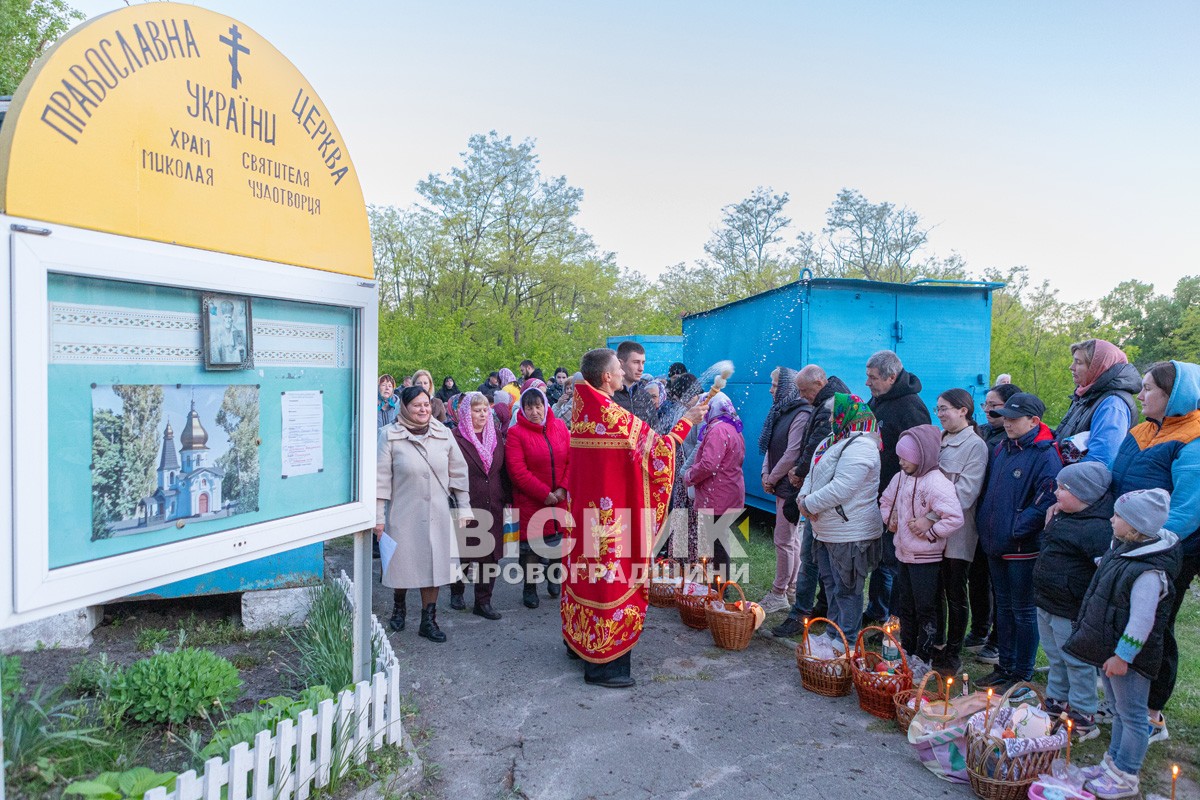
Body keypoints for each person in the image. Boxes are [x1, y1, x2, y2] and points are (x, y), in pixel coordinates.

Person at [562, 348, 705, 688]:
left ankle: (579, 642)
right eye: (619, 369)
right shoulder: (611, 414)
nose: (625, 374)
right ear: (607, 377)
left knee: (585, 578)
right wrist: (688, 420)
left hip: (585, 519)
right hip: (612, 524)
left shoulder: (584, 409)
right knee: (611, 581)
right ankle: (604, 666)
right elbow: (659, 452)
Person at [1066, 489, 1181, 800]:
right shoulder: (1125, 550)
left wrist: (1122, 656)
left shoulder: (1149, 572)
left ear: (1134, 527)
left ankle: (1126, 775)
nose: (1111, 519)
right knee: (1119, 712)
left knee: (1132, 716)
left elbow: (1141, 622)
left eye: (1117, 516)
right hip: (1113, 651)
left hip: (1129, 658)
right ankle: (1111, 766)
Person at [1108, 360, 1200, 743]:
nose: (1140, 395)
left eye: (1149, 389)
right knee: (1127, 621)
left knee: (1155, 625)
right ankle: (1124, 703)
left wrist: (1149, 544)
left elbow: (1188, 507)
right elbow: (1117, 479)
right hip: (1129, 541)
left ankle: (1152, 713)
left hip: (1168, 549)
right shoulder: (1140, 430)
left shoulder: (1193, 435)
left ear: (1174, 395)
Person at [975, 391, 1063, 690]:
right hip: (995, 541)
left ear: (1033, 421)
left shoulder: (1045, 454)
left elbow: (1047, 501)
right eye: (1005, 418)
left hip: (1021, 547)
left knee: (1023, 611)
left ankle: (1021, 673)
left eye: (1014, 419)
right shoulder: (1003, 448)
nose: (1007, 424)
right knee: (1004, 607)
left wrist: (1016, 528)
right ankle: (1006, 666)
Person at [376, 386, 472, 642]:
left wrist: (464, 507)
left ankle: (428, 620)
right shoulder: (389, 435)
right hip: (403, 513)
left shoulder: (444, 434)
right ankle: (399, 606)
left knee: (434, 566)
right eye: (417, 405)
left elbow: (459, 473)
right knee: (402, 564)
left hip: (438, 513)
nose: (423, 409)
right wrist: (378, 518)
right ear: (405, 408)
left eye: (426, 405)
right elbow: (380, 480)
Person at [1033, 461, 1114, 741]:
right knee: (1054, 654)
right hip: (1047, 600)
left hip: (1070, 607)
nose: (1055, 493)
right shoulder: (1063, 514)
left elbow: (1104, 571)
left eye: (1062, 489)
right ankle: (1057, 701)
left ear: (1084, 494)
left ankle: (1083, 715)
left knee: (1076, 660)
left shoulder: (1097, 530)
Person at [796, 394, 883, 649]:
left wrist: (809, 504)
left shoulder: (862, 446)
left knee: (847, 589)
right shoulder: (832, 441)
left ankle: (847, 639)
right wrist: (803, 498)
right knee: (831, 584)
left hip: (849, 531)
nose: (832, 419)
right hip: (827, 527)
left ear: (849, 416)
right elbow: (813, 474)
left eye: (836, 415)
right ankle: (833, 632)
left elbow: (843, 487)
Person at [773, 366, 850, 636]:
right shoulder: (824, 400)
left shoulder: (830, 405)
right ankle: (816, 610)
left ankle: (804, 612)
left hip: (824, 497)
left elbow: (818, 444)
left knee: (814, 560)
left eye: (805, 391)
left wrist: (800, 470)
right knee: (816, 559)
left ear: (819, 382)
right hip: (818, 491)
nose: (803, 396)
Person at [880, 424, 963, 669]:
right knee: (906, 604)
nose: (901, 463)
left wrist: (931, 532)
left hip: (926, 557)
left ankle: (924, 656)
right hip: (903, 553)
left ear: (922, 455)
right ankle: (906, 649)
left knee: (925, 607)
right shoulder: (901, 478)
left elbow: (954, 517)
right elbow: (885, 500)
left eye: (906, 458)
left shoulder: (937, 483)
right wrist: (889, 517)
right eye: (899, 458)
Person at [864, 350, 932, 625]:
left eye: (872, 377)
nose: (867, 382)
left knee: (893, 562)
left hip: (900, 498)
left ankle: (895, 619)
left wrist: (904, 500)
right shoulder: (878, 400)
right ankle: (876, 609)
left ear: (891, 377)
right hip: (877, 494)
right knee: (879, 560)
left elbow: (921, 457)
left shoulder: (910, 407)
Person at [965, 381, 1023, 664]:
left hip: (1001, 520)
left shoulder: (1011, 441)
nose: (987, 409)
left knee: (999, 585)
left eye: (994, 405)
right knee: (976, 579)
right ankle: (978, 630)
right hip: (980, 515)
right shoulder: (985, 433)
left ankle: (998, 642)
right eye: (985, 404)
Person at [933, 388, 989, 673]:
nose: (940, 414)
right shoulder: (939, 439)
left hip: (956, 531)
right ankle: (936, 643)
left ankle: (953, 651)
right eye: (938, 409)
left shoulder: (975, 445)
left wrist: (929, 514)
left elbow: (965, 493)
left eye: (944, 408)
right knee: (935, 591)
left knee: (955, 591)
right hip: (930, 532)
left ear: (963, 410)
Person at [506, 385, 570, 609]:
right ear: (522, 410)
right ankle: (530, 587)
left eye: (538, 406)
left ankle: (554, 578)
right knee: (531, 548)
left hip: (560, 499)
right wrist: (544, 494)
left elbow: (572, 460)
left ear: (545, 406)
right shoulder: (516, 433)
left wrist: (562, 488)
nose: (535, 411)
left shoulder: (560, 426)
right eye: (529, 407)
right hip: (531, 501)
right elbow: (517, 471)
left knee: (558, 544)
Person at [449, 392, 510, 620]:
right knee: (463, 552)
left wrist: (507, 498)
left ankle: (483, 602)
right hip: (466, 503)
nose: (483, 414)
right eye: (477, 410)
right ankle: (457, 590)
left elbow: (503, 472)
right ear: (466, 413)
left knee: (489, 556)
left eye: (485, 409)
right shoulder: (456, 438)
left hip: (493, 503)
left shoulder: (495, 437)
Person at [758, 366, 811, 612]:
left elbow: (793, 452)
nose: (770, 390)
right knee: (790, 539)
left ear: (788, 387)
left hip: (790, 486)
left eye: (775, 385)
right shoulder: (781, 411)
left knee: (784, 540)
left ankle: (780, 591)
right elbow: (770, 446)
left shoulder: (801, 413)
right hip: (780, 483)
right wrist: (765, 473)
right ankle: (790, 587)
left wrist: (773, 477)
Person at [683, 392, 746, 576]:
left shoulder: (717, 430)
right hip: (728, 490)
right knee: (719, 539)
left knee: (716, 543)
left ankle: (718, 588)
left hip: (717, 494)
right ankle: (719, 585)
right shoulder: (732, 427)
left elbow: (709, 464)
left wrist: (688, 475)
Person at [1055, 339, 1141, 467]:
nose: (1071, 367)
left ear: (1098, 367)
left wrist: (1064, 479)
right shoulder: (1087, 395)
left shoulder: (1113, 405)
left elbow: (1101, 460)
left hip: (1078, 484)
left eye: (1078, 362)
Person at [611, 340, 659, 426]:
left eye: (643, 363)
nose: (641, 368)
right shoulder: (609, 395)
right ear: (621, 363)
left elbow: (655, 430)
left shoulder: (645, 397)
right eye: (636, 362)